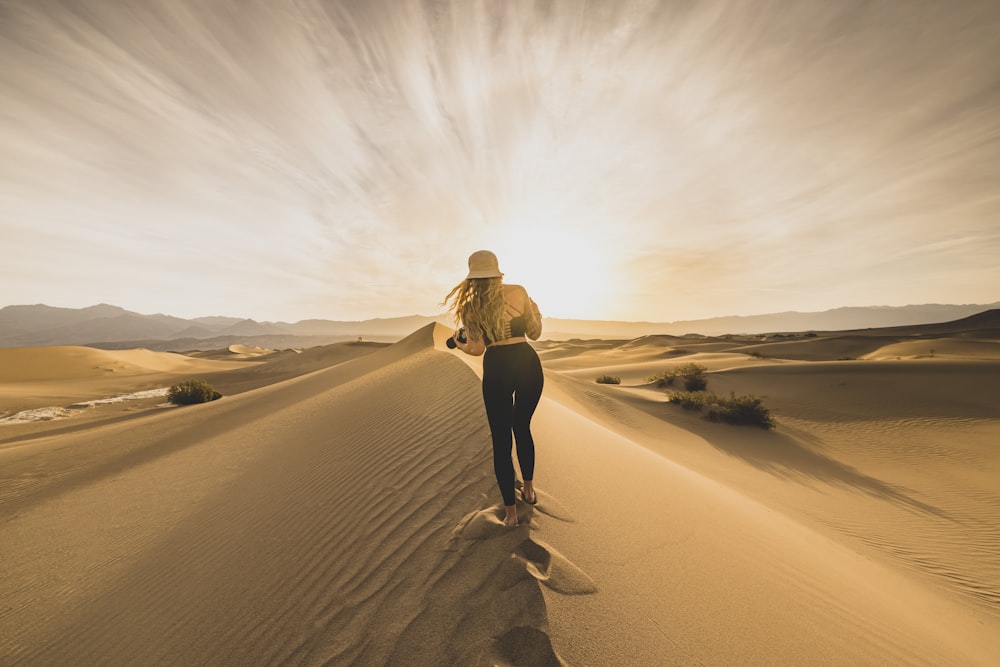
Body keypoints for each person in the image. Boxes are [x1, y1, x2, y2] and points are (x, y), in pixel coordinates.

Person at [444, 250, 544, 527]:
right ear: (498, 271)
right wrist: (534, 312)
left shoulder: (471, 307)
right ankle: (529, 490)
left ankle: (511, 514)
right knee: (522, 427)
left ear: (472, 276)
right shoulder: (519, 291)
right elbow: (535, 334)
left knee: (501, 441)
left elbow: (476, 349)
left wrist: (461, 345)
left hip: (497, 367)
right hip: (527, 362)